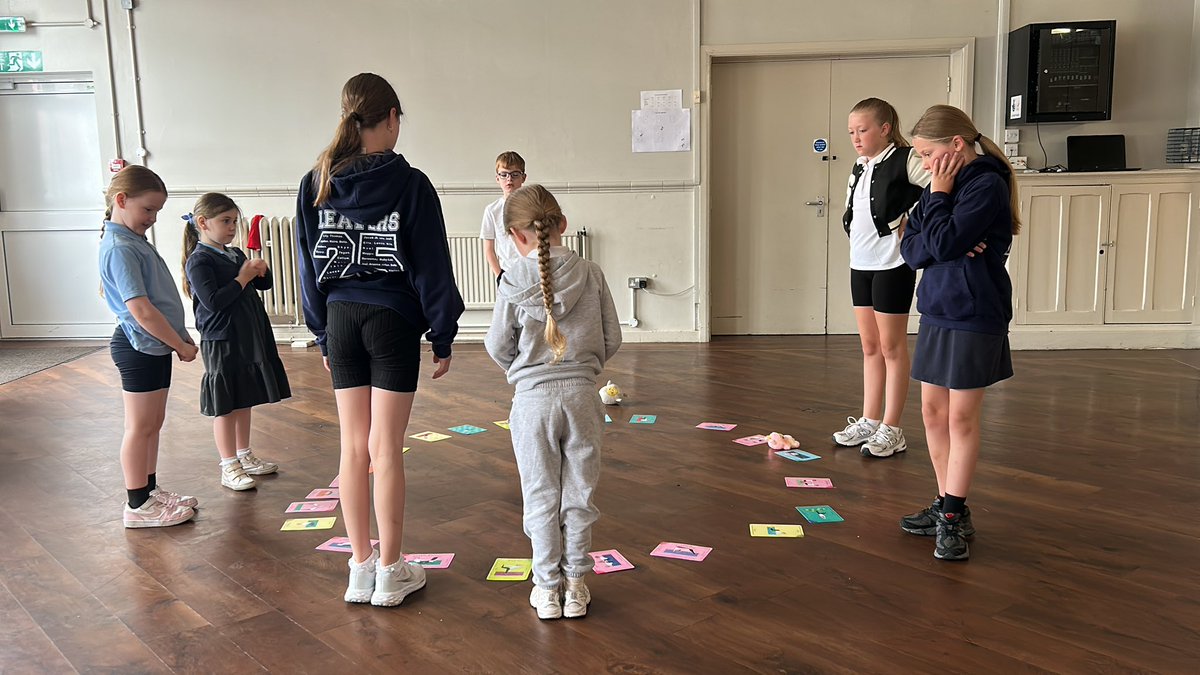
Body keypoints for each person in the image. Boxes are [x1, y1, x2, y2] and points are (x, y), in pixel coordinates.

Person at [296, 72, 464, 606]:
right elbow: (432, 264)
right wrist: (442, 333)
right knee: (385, 448)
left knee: (353, 447)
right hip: (392, 320)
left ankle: (359, 568)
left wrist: (322, 334)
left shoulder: (316, 180)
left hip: (341, 318)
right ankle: (391, 571)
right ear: (391, 118)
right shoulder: (410, 183)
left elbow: (306, 264)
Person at [484, 184, 622, 620]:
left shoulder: (511, 280)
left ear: (514, 235)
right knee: (579, 495)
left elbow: (497, 345)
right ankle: (576, 586)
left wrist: (523, 371)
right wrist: (584, 366)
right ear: (562, 224)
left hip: (532, 403)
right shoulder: (592, 273)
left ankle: (546, 589)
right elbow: (612, 337)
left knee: (540, 496)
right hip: (582, 397)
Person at [899, 104, 1020, 561]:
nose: (925, 164)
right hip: (937, 308)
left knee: (960, 419)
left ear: (956, 144)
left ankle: (952, 514)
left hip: (974, 313)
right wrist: (942, 230)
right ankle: (946, 501)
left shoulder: (986, 184)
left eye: (928, 154)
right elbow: (913, 251)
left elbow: (941, 242)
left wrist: (941, 204)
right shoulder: (939, 188)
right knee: (932, 413)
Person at [98, 165, 198, 528]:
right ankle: (136, 504)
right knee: (140, 427)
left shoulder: (133, 241)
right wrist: (179, 344)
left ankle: (149, 489)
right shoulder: (119, 247)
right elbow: (141, 309)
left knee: (153, 424)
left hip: (155, 346)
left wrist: (179, 336)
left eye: (157, 211)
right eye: (148, 209)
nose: (152, 218)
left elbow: (159, 299)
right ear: (121, 200)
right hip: (138, 347)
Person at [833, 98, 930, 458]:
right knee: (870, 347)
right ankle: (869, 420)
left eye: (863, 130)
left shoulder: (906, 159)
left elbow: (941, 185)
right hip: (860, 264)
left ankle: (893, 427)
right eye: (851, 132)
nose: (856, 138)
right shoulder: (859, 166)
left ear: (885, 129)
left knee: (892, 348)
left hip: (893, 265)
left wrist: (914, 218)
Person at [182, 192, 291, 491]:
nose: (232, 228)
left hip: (247, 334)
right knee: (226, 403)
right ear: (203, 223)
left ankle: (244, 454)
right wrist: (243, 277)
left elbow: (262, 285)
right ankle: (228, 463)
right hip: (221, 338)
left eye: (234, 221)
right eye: (225, 221)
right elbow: (214, 301)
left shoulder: (234, 254)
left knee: (244, 396)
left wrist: (261, 270)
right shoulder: (200, 260)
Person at [481, 151, 527, 283]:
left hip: (531, 271)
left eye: (515, 174)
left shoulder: (532, 207)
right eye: (504, 174)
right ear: (497, 178)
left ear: (523, 177)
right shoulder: (492, 210)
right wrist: (499, 276)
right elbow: (489, 249)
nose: (509, 179)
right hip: (507, 274)